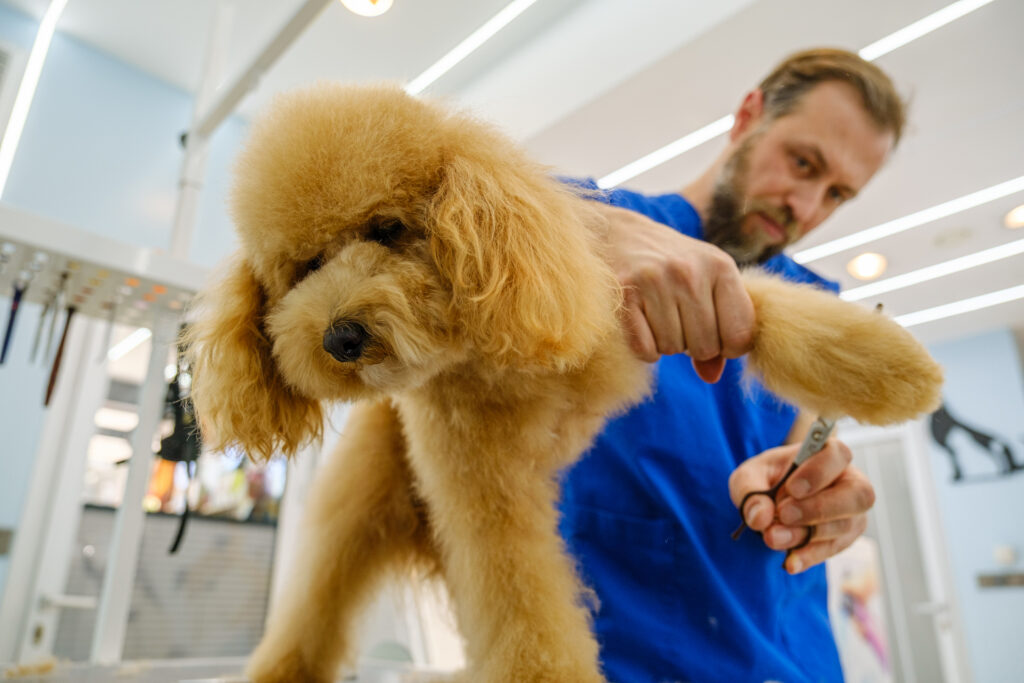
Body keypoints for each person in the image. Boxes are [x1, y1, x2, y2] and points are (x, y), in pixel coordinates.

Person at [558, 48, 904, 683]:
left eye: (837, 194)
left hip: (787, 652)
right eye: (803, 163)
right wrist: (594, 229)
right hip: (621, 653)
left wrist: (820, 501)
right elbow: (436, 208)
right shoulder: (587, 231)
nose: (806, 206)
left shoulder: (816, 304)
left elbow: (802, 451)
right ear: (750, 114)